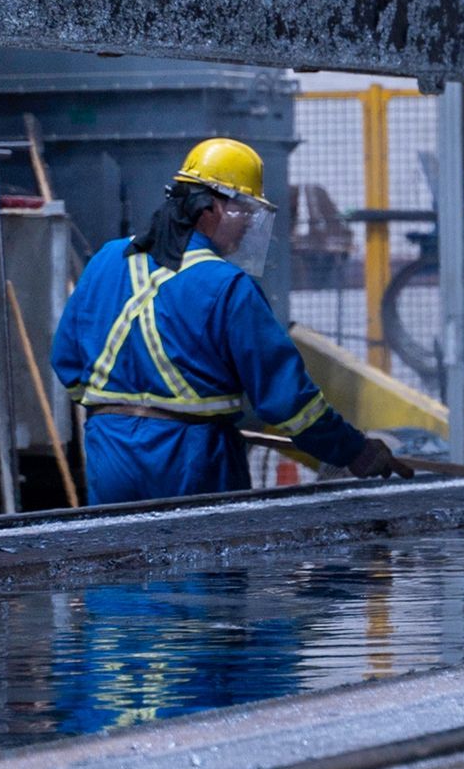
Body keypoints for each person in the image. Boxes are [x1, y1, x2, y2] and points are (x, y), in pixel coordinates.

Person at [51, 138, 408, 504]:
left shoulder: (108, 259)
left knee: (116, 556)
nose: (249, 224)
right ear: (210, 207)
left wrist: (124, 411)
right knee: (205, 558)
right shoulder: (228, 286)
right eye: (246, 210)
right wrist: (353, 451)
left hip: (109, 451)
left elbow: (66, 361)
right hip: (192, 456)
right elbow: (289, 402)